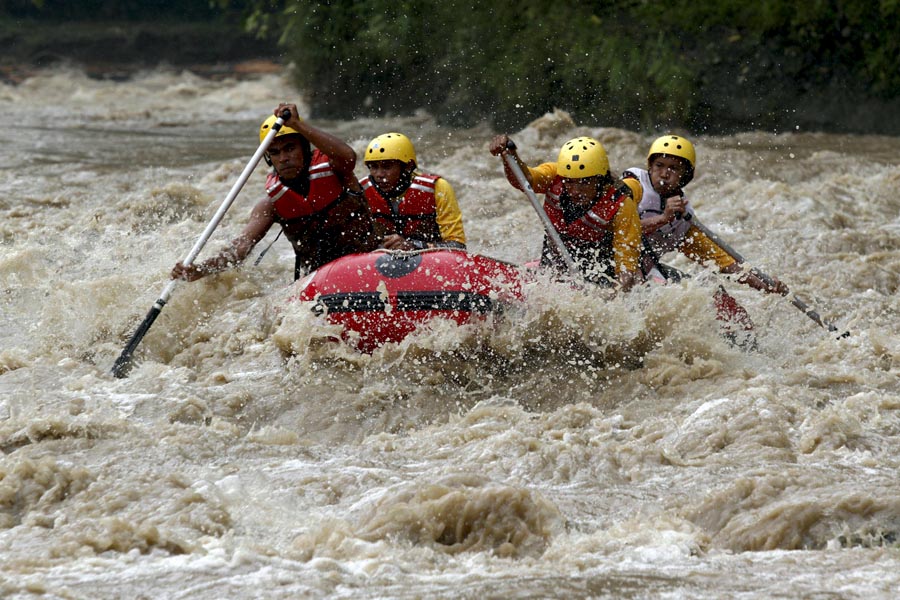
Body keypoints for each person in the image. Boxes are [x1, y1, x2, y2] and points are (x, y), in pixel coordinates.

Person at [172, 103, 380, 282]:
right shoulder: (271, 204)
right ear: (268, 157)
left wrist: (297, 125)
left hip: (370, 259)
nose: (283, 158)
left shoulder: (336, 170)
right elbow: (241, 247)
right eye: (275, 152)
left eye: (290, 148)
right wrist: (200, 270)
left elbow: (349, 156)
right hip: (320, 277)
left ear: (304, 148)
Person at [623, 134, 789, 295]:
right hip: (613, 265)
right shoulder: (633, 186)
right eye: (659, 165)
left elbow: (723, 262)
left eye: (673, 168)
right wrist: (662, 219)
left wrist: (765, 286)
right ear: (650, 167)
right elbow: (617, 228)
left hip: (646, 271)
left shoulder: (683, 218)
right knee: (639, 284)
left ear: (685, 176)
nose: (665, 173)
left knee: (715, 294)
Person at [489, 134, 643, 290]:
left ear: (600, 179)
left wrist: (614, 296)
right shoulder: (555, 175)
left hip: (599, 272)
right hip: (554, 259)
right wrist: (510, 156)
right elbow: (524, 180)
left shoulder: (621, 204)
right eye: (570, 182)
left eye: (584, 182)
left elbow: (626, 265)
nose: (575, 191)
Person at [360, 132, 466, 251]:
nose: (379, 174)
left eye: (387, 167)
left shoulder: (438, 188)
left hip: (428, 257)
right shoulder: (361, 192)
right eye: (374, 167)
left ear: (408, 167)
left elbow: (458, 247)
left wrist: (413, 245)